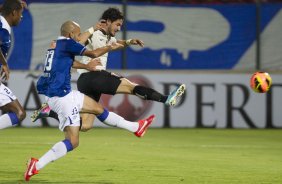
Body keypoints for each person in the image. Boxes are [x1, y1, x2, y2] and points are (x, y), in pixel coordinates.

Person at [24, 20, 155, 181]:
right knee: (72, 141)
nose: (80, 37)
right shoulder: (67, 43)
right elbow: (93, 53)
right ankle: (36, 166)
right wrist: (109, 47)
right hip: (63, 98)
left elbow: (69, 62)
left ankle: (136, 127)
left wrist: (87, 66)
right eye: (78, 34)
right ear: (71, 34)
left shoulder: (56, 44)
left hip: (61, 94)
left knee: (98, 109)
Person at [31, 7, 185, 131]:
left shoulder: (108, 37)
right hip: (94, 77)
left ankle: (49, 112)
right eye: (117, 24)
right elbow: (79, 40)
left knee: (85, 125)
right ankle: (165, 99)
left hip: (86, 82)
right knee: (130, 86)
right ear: (108, 21)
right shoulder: (95, 33)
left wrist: (130, 41)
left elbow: (117, 42)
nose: (119, 28)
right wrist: (91, 29)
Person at [0, 0, 27, 130]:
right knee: (19, 113)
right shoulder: (3, 27)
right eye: (20, 13)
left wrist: (13, 4)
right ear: (13, 13)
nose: (21, 17)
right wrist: (4, 64)